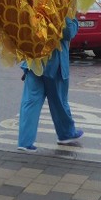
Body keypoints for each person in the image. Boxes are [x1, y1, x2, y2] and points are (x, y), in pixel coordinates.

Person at [17, 16, 85, 152]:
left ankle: (25, 141)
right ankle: (66, 134)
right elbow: (68, 32)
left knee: (31, 102)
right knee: (59, 102)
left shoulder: (37, 3)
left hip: (34, 61)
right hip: (55, 64)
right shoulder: (61, 5)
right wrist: (74, 18)